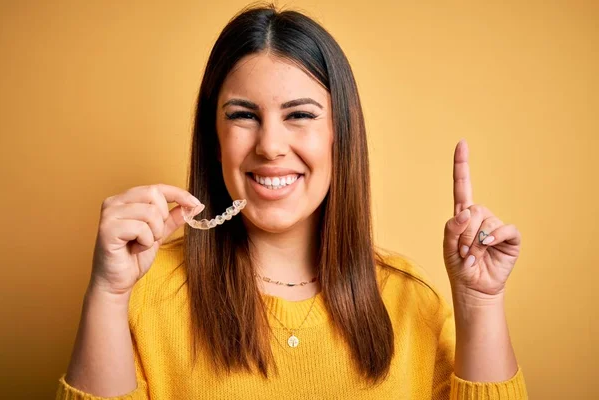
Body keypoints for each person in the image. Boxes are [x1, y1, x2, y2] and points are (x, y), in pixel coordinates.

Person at [56, 4, 528, 399]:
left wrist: (479, 303)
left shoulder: (412, 302)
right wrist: (107, 293)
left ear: (340, 135)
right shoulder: (144, 295)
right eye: (243, 116)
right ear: (214, 138)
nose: (270, 146)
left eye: (299, 114)